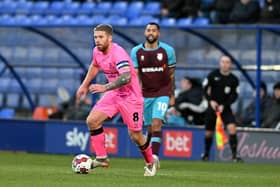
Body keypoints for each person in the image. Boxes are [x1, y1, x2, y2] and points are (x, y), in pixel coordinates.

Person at [76, 24, 156, 176]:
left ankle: (150, 162)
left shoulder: (118, 53)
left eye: (101, 37)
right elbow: (94, 66)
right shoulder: (96, 51)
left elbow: (125, 78)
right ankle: (102, 158)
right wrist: (84, 85)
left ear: (109, 38)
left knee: (135, 135)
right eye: (95, 37)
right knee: (92, 120)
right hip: (114, 94)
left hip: (131, 97)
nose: (97, 40)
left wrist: (104, 88)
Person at [131, 22, 176, 169]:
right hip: (145, 94)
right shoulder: (136, 51)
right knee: (150, 128)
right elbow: (135, 76)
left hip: (162, 92)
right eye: (148, 30)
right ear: (145, 32)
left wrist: (172, 95)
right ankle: (149, 155)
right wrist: (135, 95)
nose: (151, 33)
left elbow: (171, 75)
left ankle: (154, 158)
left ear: (159, 33)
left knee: (157, 123)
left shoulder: (167, 50)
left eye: (154, 30)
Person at [201, 55, 243, 162]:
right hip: (212, 107)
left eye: (227, 62)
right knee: (208, 132)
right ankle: (206, 154)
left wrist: (224, 104)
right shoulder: (212, 75)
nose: (224, 64)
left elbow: (235, 95)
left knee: (232, 128)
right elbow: (204, 89)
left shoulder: (234, 79)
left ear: (231, 65)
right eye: (223, 62)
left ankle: (234, 156)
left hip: (225, 108)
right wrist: (211, 100)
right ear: (220, 63)